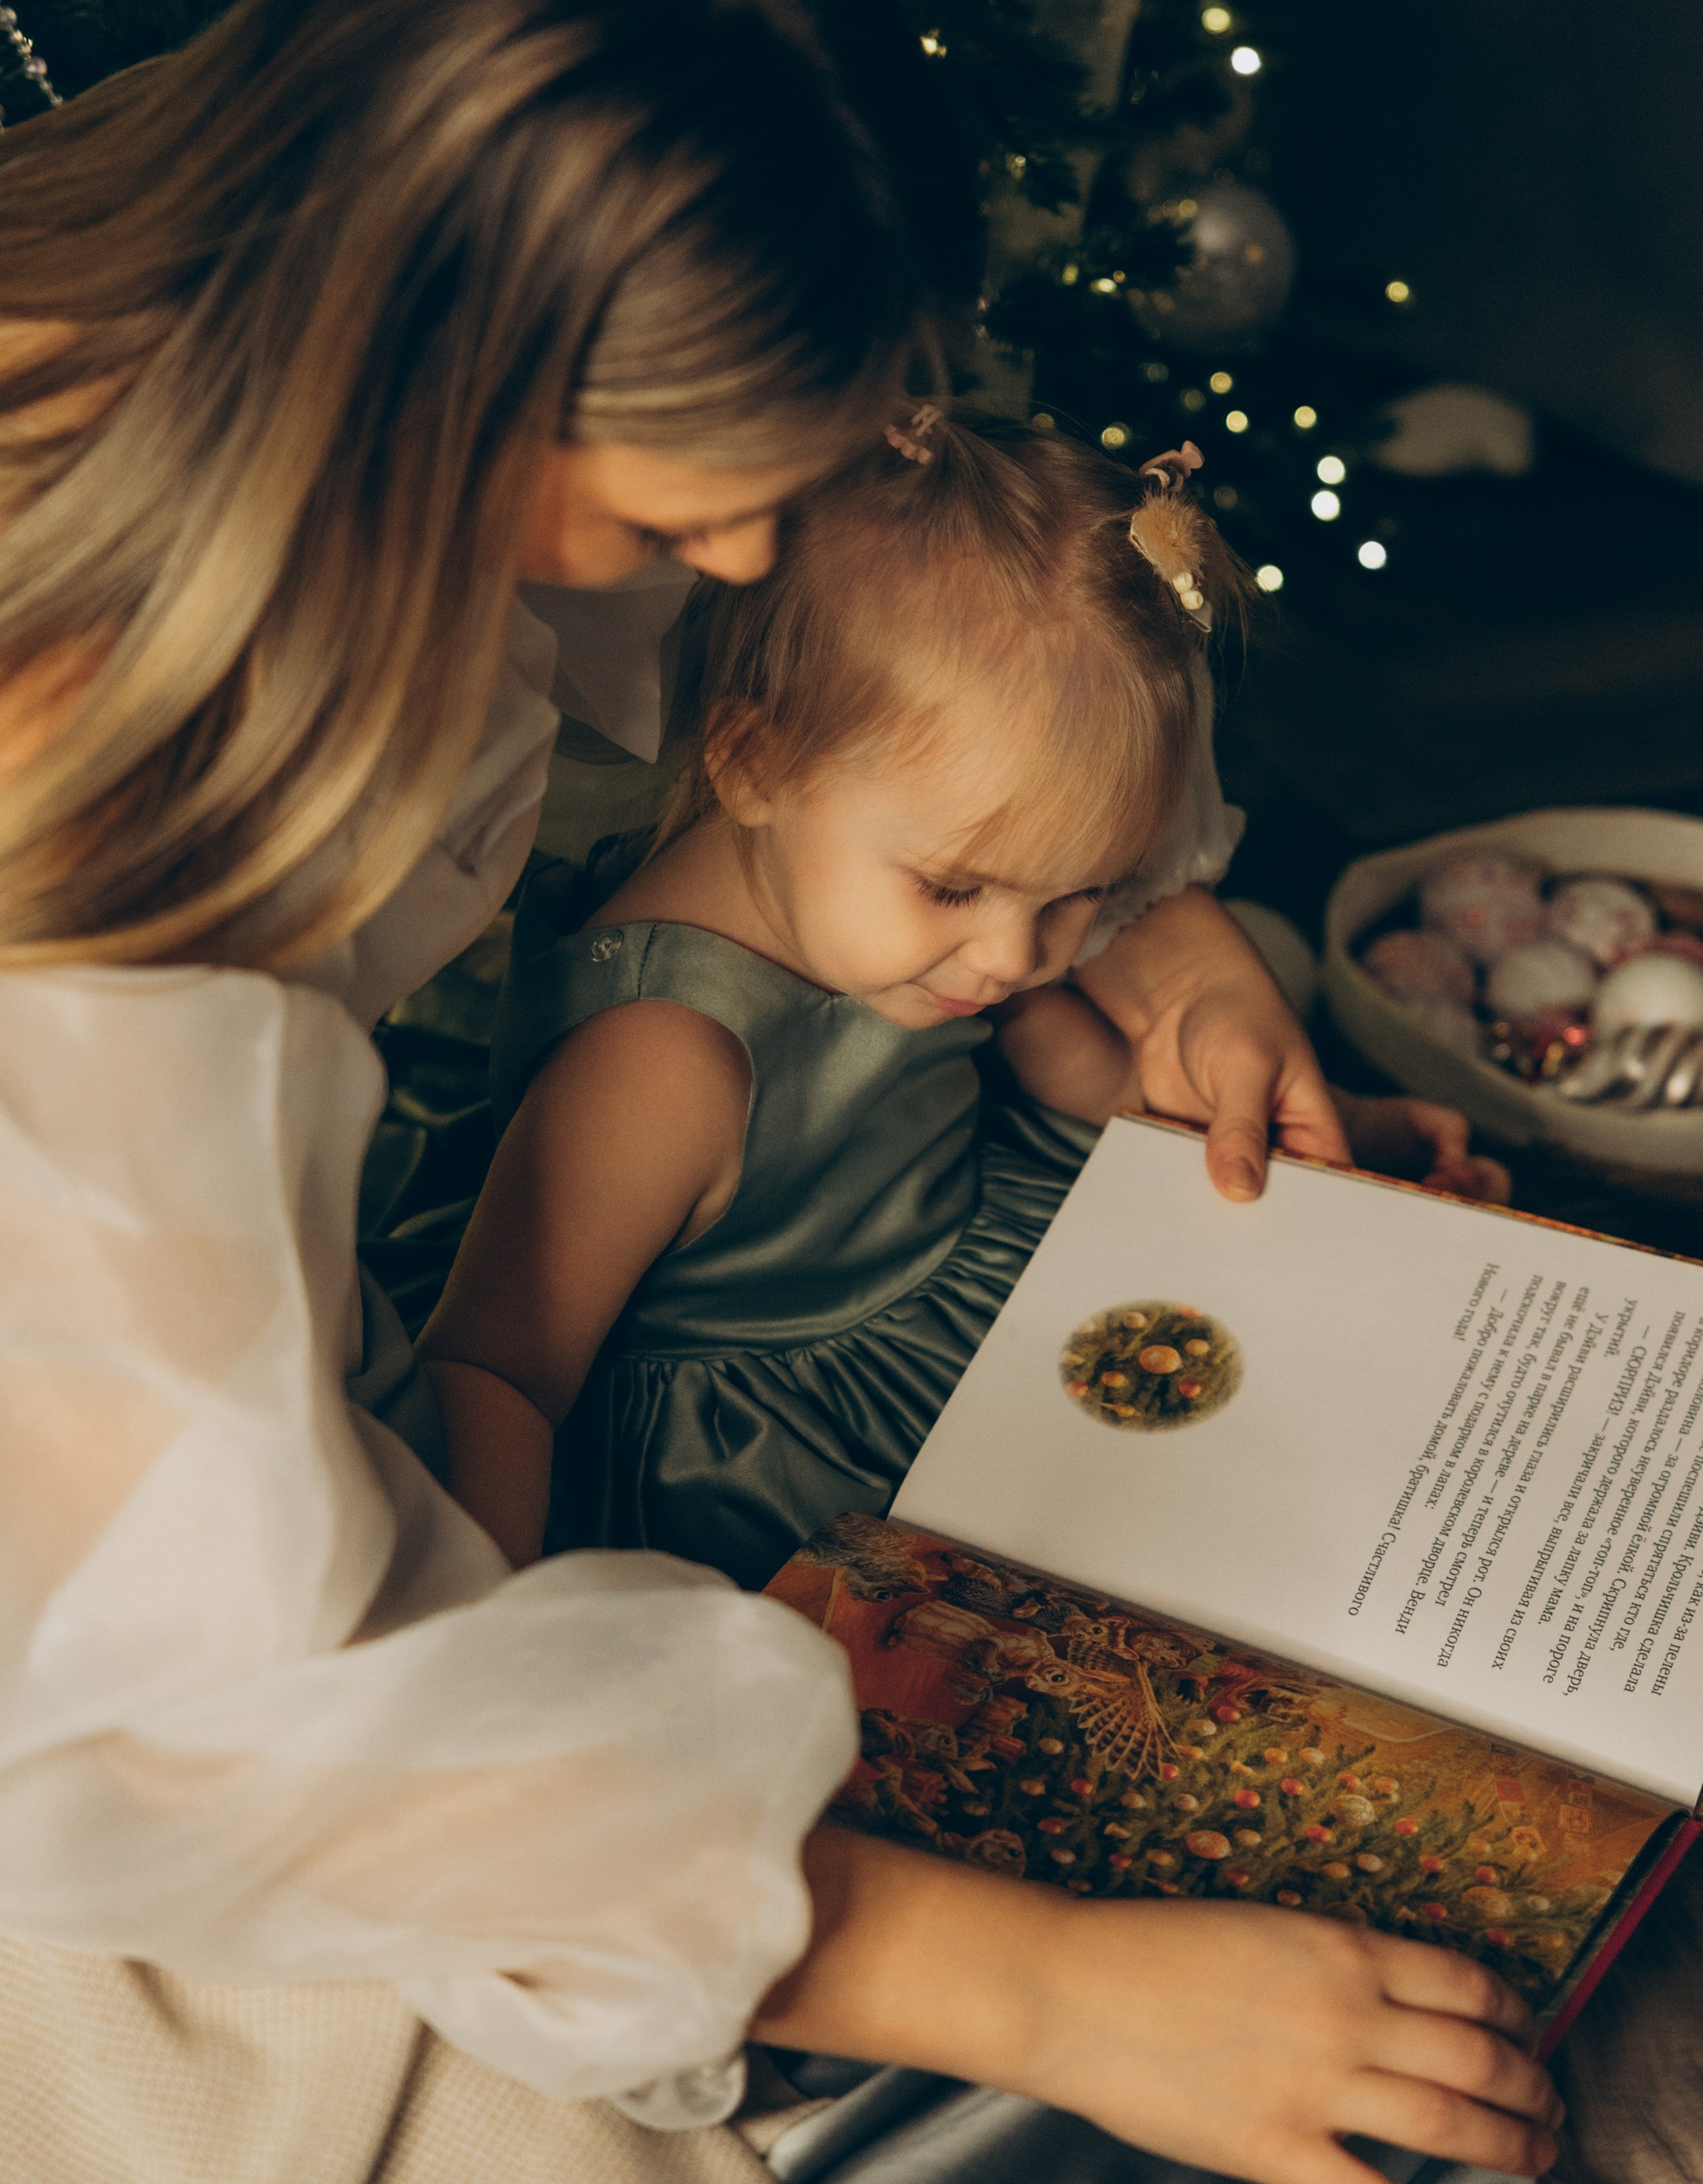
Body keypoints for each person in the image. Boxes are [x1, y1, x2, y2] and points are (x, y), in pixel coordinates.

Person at [0, 0, 1558, 2184]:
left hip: (237, 1514)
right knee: (813, 2131)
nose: (729, 552)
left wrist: (1162, 929)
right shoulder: (88, 857)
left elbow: (864, 625)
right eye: (672, 503)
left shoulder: (269, 371)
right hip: (102, 1684)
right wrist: (1041, 1990)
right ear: (449, 374)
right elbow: (215, 1733)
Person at [421, 412, 1501, 1586]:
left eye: (1078, 895)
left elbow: (1097, 1086)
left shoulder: (927, 942)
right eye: (954, 886)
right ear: (756, 763)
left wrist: (1335, 1135)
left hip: (973, 1270)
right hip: (779, 1447)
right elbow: (497, 1369)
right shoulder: (663, 1061)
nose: (1010, 956)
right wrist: (475, 1634)